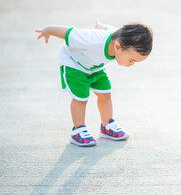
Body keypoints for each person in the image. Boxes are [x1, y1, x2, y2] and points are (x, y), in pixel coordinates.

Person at [35, 19, 153, 147]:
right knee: (81, 98)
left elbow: (109, 29)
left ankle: (106, 125)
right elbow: (68, 33)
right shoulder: (90, 41)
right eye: (131, 60)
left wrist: (100, 26)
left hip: (94, 66)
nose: (131, 64)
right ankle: (78, 130)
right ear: (117, 47)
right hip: (75, 65)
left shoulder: (118, 37)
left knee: (105, 93)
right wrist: (48, 30)